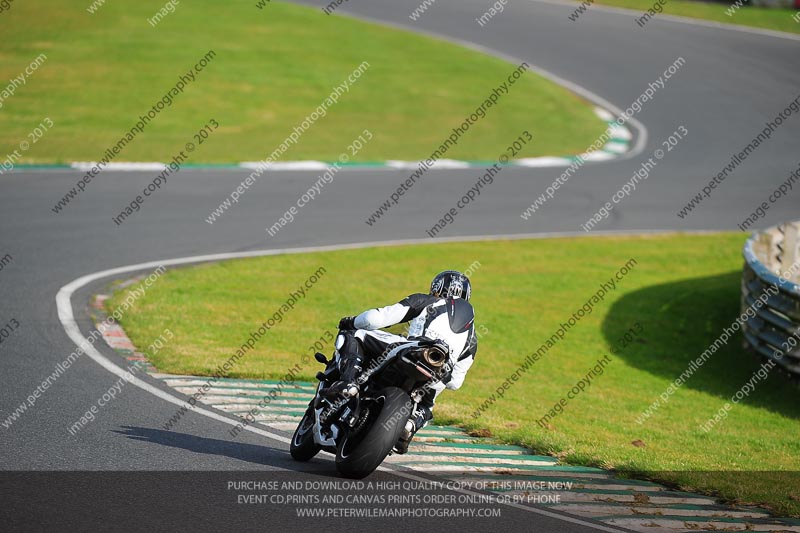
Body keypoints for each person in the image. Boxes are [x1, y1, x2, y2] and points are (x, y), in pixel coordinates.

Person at [326, 270, 478, 454]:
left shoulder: (428, 301)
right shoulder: (473, 337)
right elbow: (455, 382)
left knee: (354, 335)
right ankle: (412, 422)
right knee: (427, 405)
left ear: (437, 288)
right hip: (439, 372)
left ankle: (348, 383)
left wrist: (352, 321)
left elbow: (375, 319)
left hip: (411, 349)